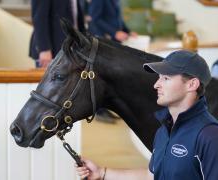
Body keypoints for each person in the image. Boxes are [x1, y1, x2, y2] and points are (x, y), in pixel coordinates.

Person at [76, 50, 218, 180]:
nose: (156, 84)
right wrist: (101, 173)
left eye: (166, 78)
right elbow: (152, 175)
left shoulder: (209, 135)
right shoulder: (164, 131)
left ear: (192, 84)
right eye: (159, 77)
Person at [29, 0, 85, 68]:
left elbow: (76, 15)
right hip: (53, 51)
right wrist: (44, 49)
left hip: (73, 49)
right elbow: (39, 17)